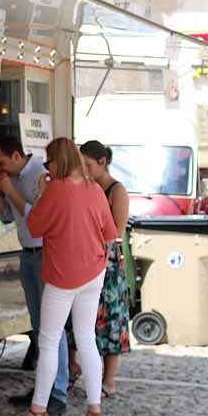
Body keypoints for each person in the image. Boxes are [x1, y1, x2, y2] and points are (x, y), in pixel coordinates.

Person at [10, 137, 117, 416]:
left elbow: (34, 227)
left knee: (48, 341)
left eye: (49, 161)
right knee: (86, 339)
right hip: (93, 271)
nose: (46, 167)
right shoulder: (94, 188)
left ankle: (38, 410)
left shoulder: (56, 189)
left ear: (59, 161)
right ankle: (94, 408)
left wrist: (43, 194)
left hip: (62, 273)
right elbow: (110, 231)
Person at [0, 135, 69, 416]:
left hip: (46, 251)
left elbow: (37, 218)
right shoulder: (11, 178)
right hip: (27, 253)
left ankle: (57, 391)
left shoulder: (41, 175)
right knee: (38, 326)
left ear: (16, 156)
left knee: (52, 327)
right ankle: (43, 389)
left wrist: (10, 190)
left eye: (1, 162)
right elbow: (7, 218)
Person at [79, 140, 131, 398]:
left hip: (107, 262)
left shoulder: (116, 190)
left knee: (110, 321)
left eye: (88, 165)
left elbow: (116, 230)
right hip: (83, 260)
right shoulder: (84, 188)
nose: (85, 170)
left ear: (102, 162)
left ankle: (108, 379)